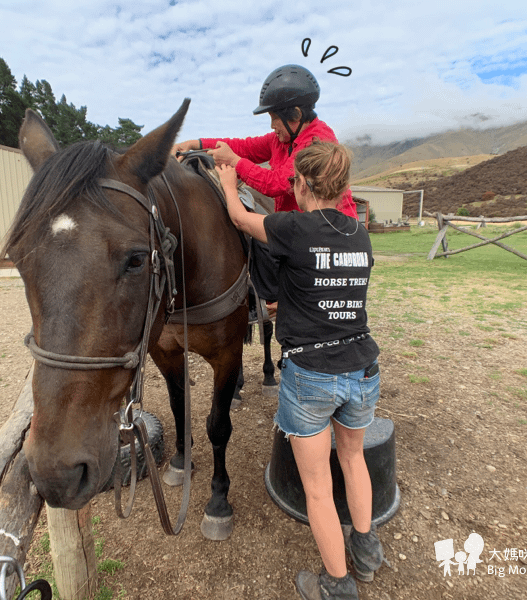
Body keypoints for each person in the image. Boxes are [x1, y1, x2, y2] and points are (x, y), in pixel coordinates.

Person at [215, 141, 384, 600]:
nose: (290, 186)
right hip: (364, 365)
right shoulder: (359, 233)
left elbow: (239, 220)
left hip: (313, 372)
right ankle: (366, 552)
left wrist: (230, 182)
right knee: (353, 459)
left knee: (317, 487)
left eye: (293, 181)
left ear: (305, 184)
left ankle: (337, 584)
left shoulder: (293, 227)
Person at [174, 64, 358, 308]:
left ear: (295, 114)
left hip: (327, 233)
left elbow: (279, 183)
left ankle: (285, 304)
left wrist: (235, 164)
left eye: (274, 118)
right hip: (299, 229)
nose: (272, 126)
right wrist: (195, 143)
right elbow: (244, 146)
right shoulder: (281, 139)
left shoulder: (317, 142)